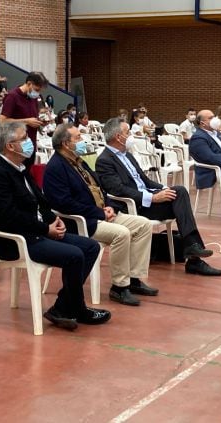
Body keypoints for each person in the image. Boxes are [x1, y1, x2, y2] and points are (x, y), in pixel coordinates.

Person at [0, 122, 110, 330]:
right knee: (75, 255)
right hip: (16, 241)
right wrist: (45, 229)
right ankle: (75, 307)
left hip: (36, 232)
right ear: (10, 146)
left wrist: (52, 220)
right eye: (24, 138)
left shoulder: (20, 168)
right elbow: (10, 217)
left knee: (90, 247)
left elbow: (41, 201)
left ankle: (63, 307)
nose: (29, 142)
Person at [44, 124, 158, 306]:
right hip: (82, 222)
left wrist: (110, 206)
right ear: (66, 143)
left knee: (143, 224)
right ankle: (119, 287)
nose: (82, 141)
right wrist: (99, 212)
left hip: (101, 213)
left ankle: (134, 279)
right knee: (121, 233)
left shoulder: (78, 161)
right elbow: (64, 203)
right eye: (78, 138)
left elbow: (98, 189)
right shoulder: (56, 167)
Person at [96, 117, 221, 274]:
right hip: (135, 206)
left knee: (179, 191)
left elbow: (145, 181)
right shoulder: (104, 160)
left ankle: (193, 252)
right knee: (181, 196)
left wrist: (164, 188)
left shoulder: (127, 155)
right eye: (127, 132)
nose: (131, 135)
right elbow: (118, 190)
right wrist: (153, 198)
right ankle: (193, 256)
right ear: (118, 137)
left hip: (148, 199)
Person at [0, 72, 48, 166]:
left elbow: (32, 118)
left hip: (31, 144)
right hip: (17, 147)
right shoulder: (12, 96)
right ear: (29, 83)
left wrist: (40, 122)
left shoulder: (32, 98)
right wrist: (26, 121)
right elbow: (3, 121)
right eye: (37, 90)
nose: (38, 93)